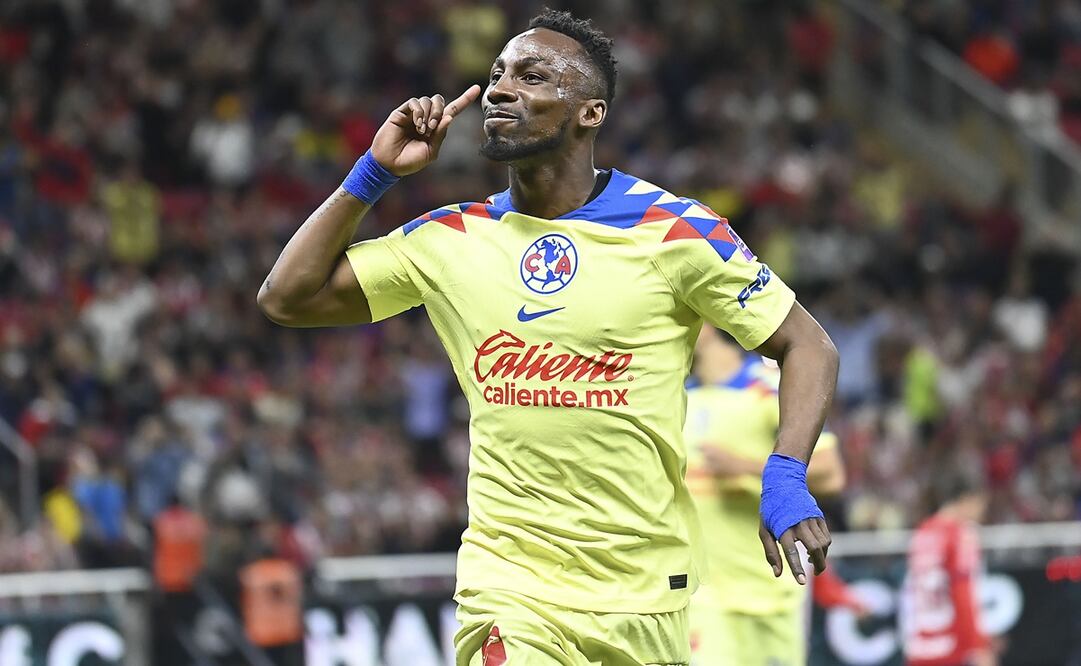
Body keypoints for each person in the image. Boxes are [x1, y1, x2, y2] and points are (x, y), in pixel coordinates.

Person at [257, 9, 839, 664]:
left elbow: (806, 344)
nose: (501, 89)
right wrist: (373, 174)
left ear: (589, 113)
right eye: (497, 74)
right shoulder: (450, 238)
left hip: (647, 592)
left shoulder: (674, 231)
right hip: (510, 587)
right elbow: (287, 297)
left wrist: (785, 472)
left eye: (531, 76)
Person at [685, 325, 855, 665]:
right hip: (704, 598)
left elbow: (832, 472)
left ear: (704, 328)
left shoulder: (768, 388)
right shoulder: (677, 398)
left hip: (774, 592)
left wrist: (746, 467)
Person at [902, 471, 994, 666]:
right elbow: (963, 593)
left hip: (920, 646)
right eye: (981, 505)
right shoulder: (961, 534)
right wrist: (979, 646)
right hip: (952, 647)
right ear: (967, 499)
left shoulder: (923, 531)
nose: (982, 512)